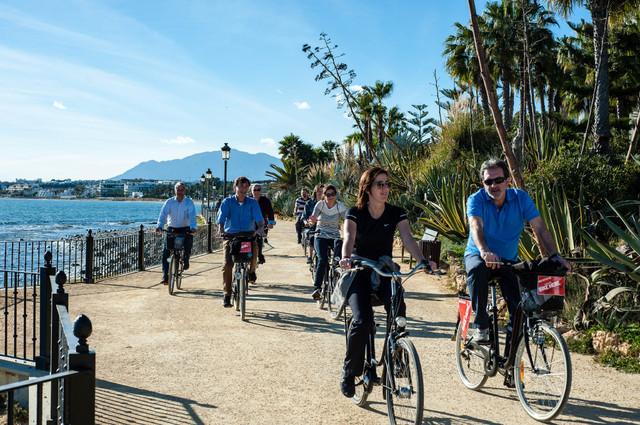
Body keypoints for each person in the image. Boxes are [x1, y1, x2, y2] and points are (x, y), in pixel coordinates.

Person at [338, 167, 434, 398]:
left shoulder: (396, 213)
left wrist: (423, 261)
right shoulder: (355, 213)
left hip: (384, 271)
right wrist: (345, 257)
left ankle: (396, 361)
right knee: (362, 321)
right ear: (367, 188)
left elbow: (408, 239)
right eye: (379, 184)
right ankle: (350, 372)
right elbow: (349, 237)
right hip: (359, 271)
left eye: (387, 184)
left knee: (399, 315)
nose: (385, 189)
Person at [465, 158, 571, 345]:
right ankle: (481, 326)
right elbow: (476, 225)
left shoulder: (520, 198)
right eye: (488, 182)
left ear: (508, 181)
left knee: (519, 306)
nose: (494, 185)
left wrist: (555, 255)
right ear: (483, 184)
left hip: (507, 259)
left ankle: (510, 360)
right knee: (476, 270)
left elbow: (540, 228)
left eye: (498, 180)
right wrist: (484, 250)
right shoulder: (476, 199)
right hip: (480, 254)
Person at [216, 176, 264, 307]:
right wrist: (221, 230)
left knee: (255, 253)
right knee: (227, 265)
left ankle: (252, 271)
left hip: (248, 235)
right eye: (241, 186)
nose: (243, 189)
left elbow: (259, 220)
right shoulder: (227, 202)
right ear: (235, 187)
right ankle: (227, 294)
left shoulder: (253, 203)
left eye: (246, 187)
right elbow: (221, 220)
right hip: (231, 236)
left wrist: (260, 229)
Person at [308, 184, 346, 300]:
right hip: (321, 235)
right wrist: (311, 221)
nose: (330, 197)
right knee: (323, 259)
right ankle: (317, 288)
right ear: (324, 195)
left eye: (333, 194)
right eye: (328, 194)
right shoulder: (320, 204)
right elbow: (312, 218)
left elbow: (347, 220)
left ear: (336, 195)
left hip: (334, 236)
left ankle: (335, 274)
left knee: (339, 255)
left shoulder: (340, 206)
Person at [156, 182, 197, 284]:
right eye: (178, 190)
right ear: (175, 191)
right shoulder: (169, 202)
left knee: (188, 244)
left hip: (185, 228)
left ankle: (186, 258)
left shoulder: (189, 202)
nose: (180, 192)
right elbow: (163, 214)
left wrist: (193, 227)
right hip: (172, 228)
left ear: (185, 191)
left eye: (182, 190)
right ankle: (165, 276)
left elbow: (192, 216)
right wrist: (159, 226)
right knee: (166, 252)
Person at [250, 183, 275, 264]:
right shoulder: (248, 200)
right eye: (254, 189)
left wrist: (271, 222)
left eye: (258, 190)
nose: (256, 191)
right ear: (251, 191)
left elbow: (270, 212)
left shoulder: (265, 200)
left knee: (259, 237)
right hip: (249, 223)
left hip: (261, 223)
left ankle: (259, 254)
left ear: (260, 191)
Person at [303, 184, 324, 264]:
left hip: (325, 227)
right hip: (312, 227)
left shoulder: (327, 203)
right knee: (312, 238)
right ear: (315, 192)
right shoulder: (309, 203)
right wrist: (306, 223)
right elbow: (304, 216)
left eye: (322, 191)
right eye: (319, 191)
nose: (320, 193)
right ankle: (310, 256)